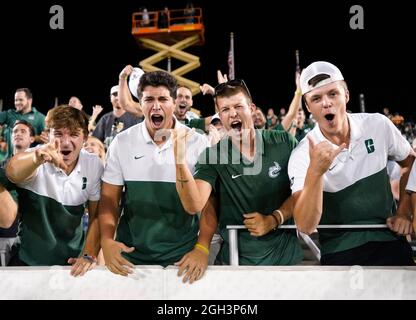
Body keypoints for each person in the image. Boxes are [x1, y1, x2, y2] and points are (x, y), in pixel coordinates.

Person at [288, 61, 415, 265]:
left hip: (389, 240)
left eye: (333, 94)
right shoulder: (303, 153)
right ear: (308, 106)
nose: (326, 103)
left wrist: (404, 211)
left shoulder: (378, 124)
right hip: (340, 251)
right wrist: (315, 172)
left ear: (346, 95)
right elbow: (305, 224)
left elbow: (410, 163)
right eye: (316, 98)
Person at [173, 78, 303, 266]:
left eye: (238, 106)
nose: (233, 113)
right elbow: (194, 205)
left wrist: (274, 218)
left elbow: (302, 191)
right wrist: (179, 162)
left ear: (251, 108)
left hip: (286, 261)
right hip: (236, 263)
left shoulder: (283, 142)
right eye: (225, 109)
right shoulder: (213, 155)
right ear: (219, 115)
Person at [98, 71, 208, 281]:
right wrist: (106, 239)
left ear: (174, 103)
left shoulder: (198, 142)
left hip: (182, 257)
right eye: (149, 99)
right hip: (131, 257)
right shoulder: (122, 142)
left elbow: (208, 204)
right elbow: (110, 199)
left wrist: (202, 247)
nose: (156, 106)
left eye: (163, 99)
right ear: (140, 104)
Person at [4, 105, 104, 275]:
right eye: (58, 134)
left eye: (73, 134)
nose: (65, 142)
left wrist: (88, 254)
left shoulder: (93, 164)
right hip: (28, 262)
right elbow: (12, 171)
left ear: (85, 138)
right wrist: (37, 157)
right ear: (47, 135)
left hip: (71, 265)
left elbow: (96, 216)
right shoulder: (35, 156)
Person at [0, 88, 46, 159]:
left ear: (29, 101)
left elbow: (45, 139)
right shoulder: (9, 114)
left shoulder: (40, 118)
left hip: (29, 161)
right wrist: (1, 140)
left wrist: (31, 137)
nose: (17, 103)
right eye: (16, 100)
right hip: (9, 160)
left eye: (20, 100)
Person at [92, 85, 142, 149]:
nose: (117, 97)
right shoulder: (105, 119)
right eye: (115, 95)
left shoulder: (136, 117)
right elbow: (95, 140)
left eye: (120, 95)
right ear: (110, 98)